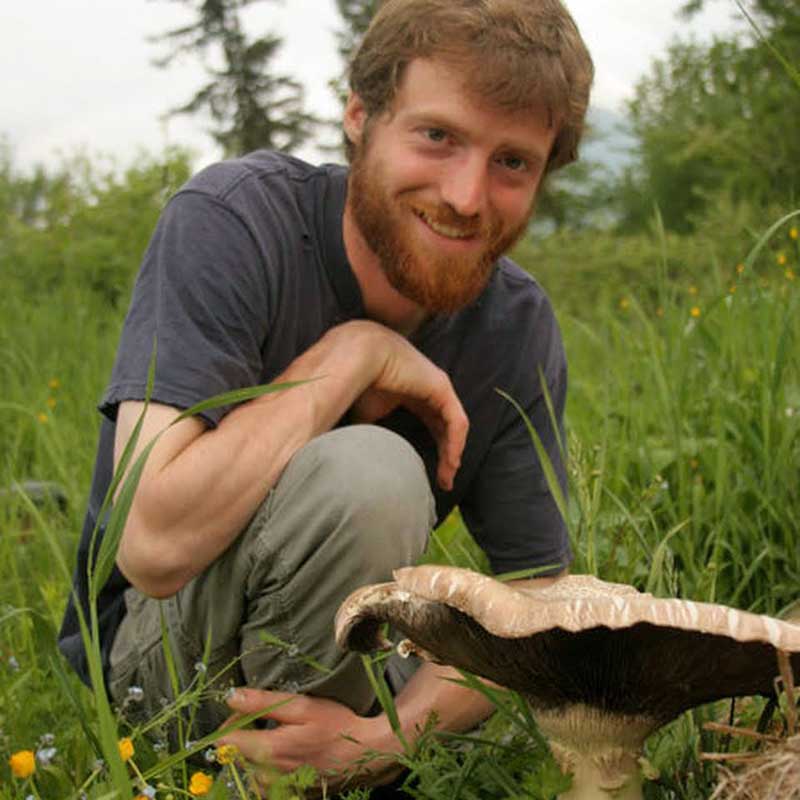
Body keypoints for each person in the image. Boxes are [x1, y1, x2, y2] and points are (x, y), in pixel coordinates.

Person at [59, 0, 593, 792]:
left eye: (512, 162)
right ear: (359, 115)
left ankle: (322, 768)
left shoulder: (515, 325)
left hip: (354, 667)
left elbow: (538, 594)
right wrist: (349, 357)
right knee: (369, 474)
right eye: (437, 135)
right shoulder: (234, 222)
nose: (466, 196)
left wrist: (381, 742)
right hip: (158, 658)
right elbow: (153, 547)